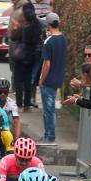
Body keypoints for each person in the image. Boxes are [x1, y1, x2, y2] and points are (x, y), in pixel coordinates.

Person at [37, 12, 67, 143]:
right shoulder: (63, 38)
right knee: (51, 109)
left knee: (48, 110)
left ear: (48, 24)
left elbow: (46, 64)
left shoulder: (48, 42)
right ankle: (48, 135)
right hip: (58, 79)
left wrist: (41, 80)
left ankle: (49, 136)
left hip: (49, 80)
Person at [12, 2, 42, 111]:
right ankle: (27, 104)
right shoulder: (37, 25)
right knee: (28, 81)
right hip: (31, 57)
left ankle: (19, 103)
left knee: (18, 81)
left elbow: (13, 38)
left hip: (20, 57)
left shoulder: (23, 27)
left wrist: (16, 28)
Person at [5, 0, 26, 77]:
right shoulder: (14, 7)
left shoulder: (25, 7)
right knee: (13, 67)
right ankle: (14, 89)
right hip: (12, 42)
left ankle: (18, 89)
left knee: (19, 67)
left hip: (20, 42)